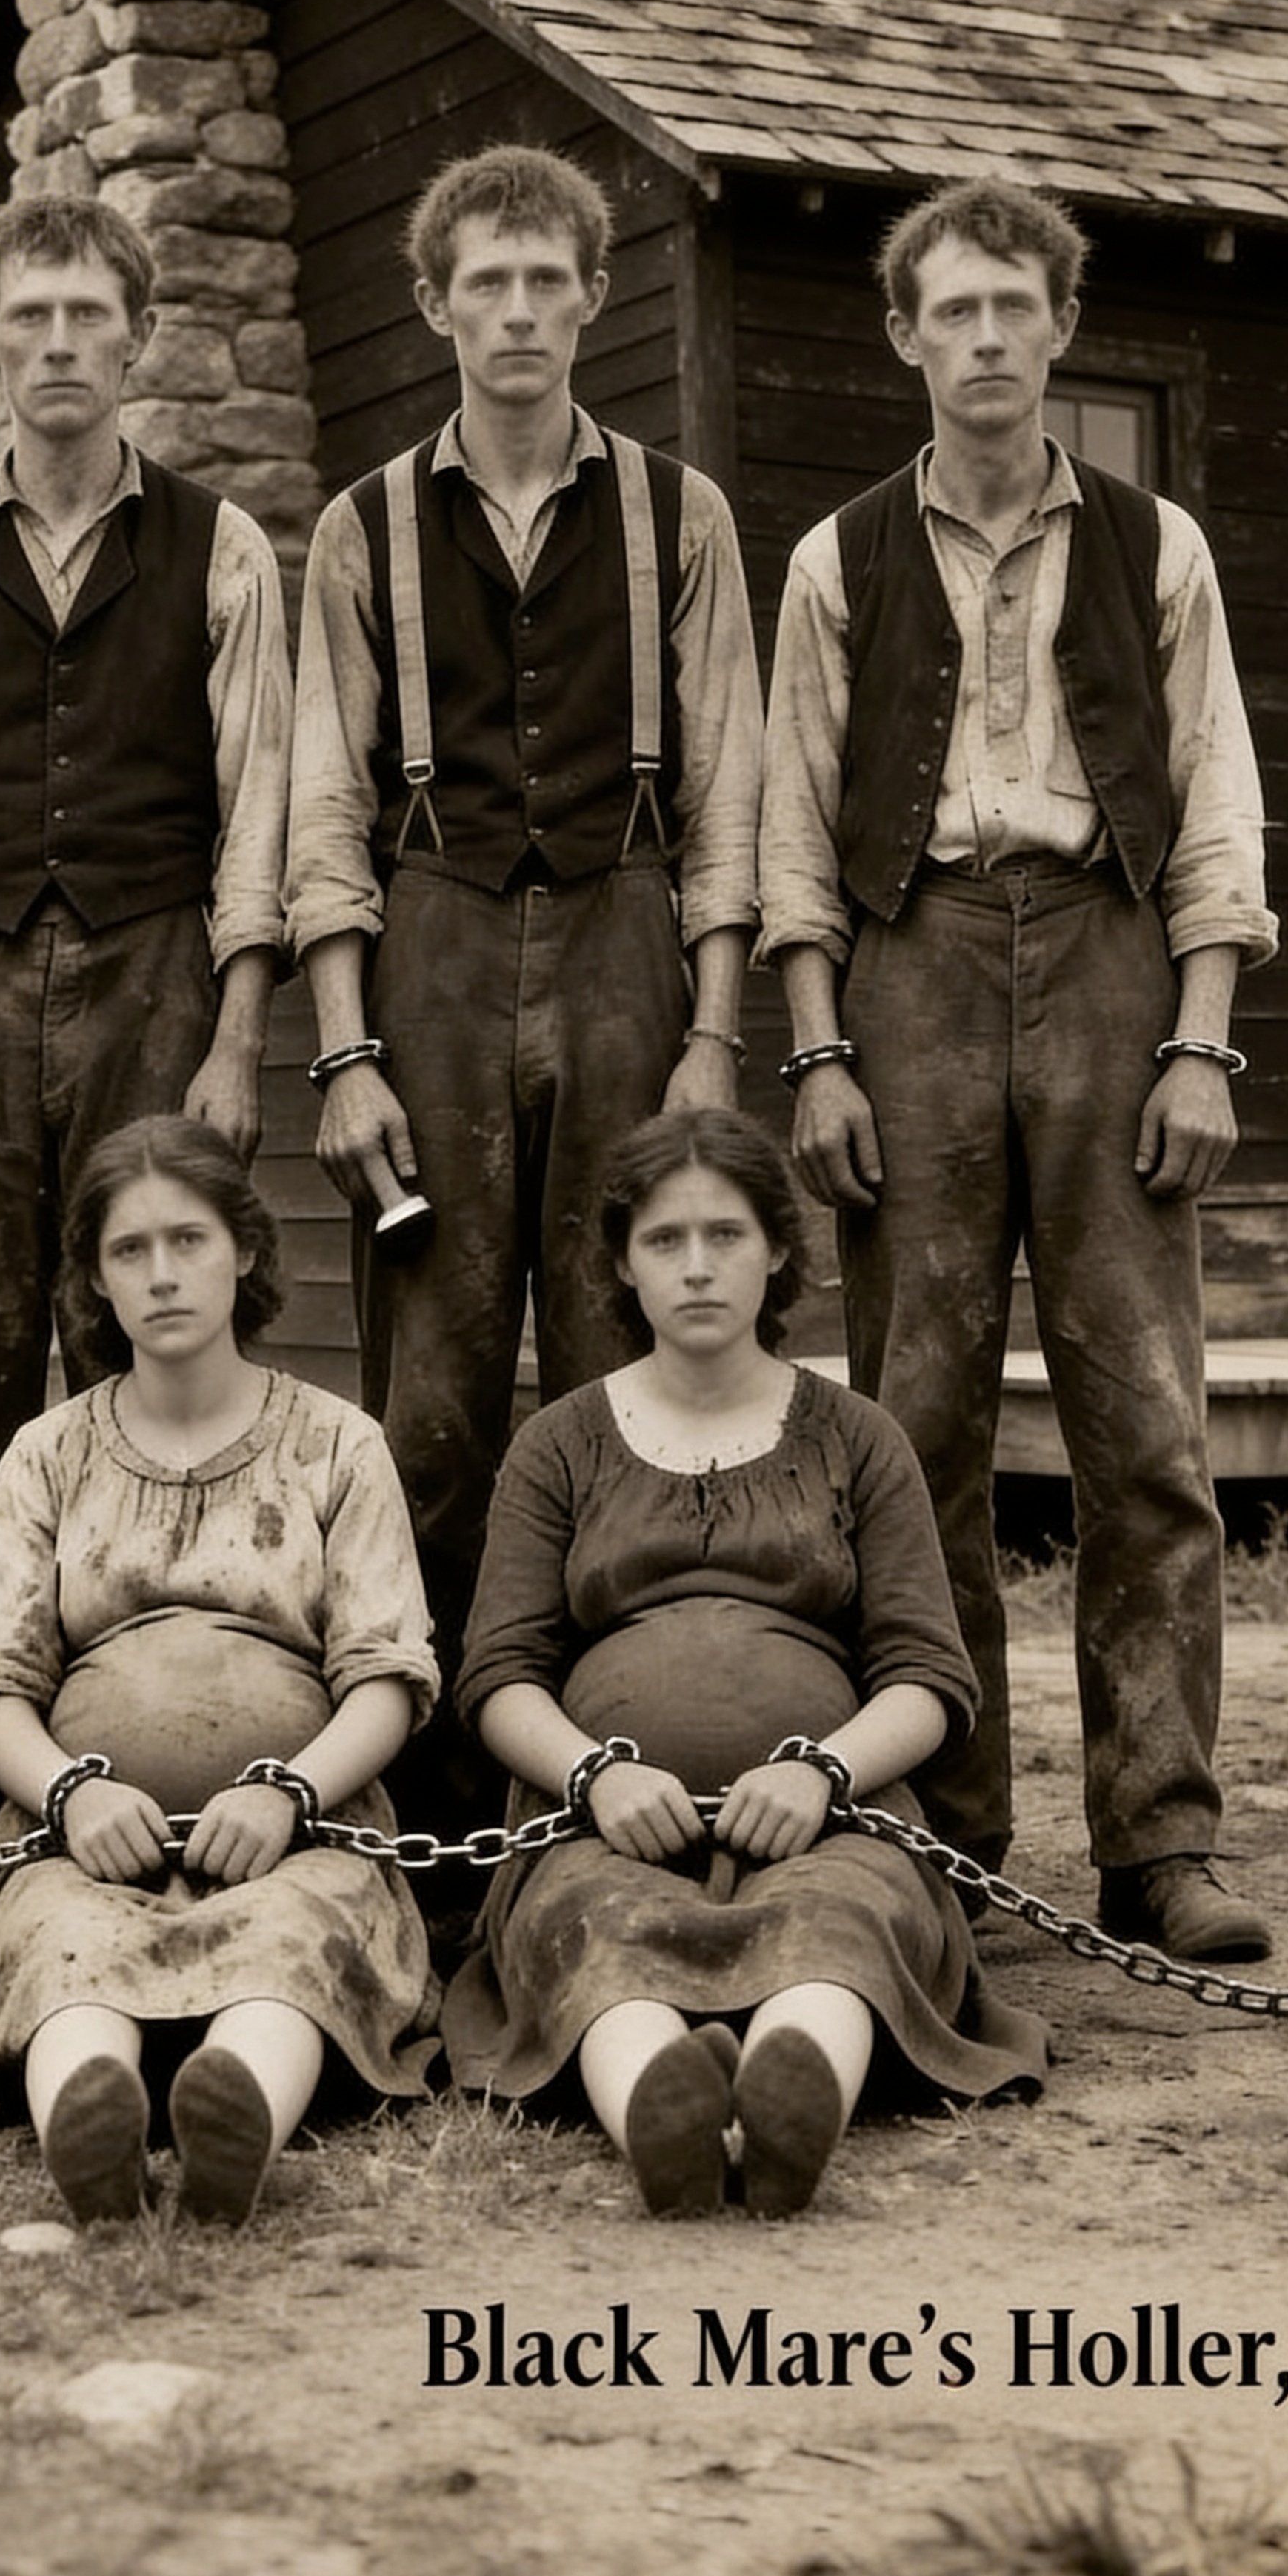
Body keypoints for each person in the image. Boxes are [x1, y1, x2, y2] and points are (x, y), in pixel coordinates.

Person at [758, 176, 1279, 1963]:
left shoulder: (1159, 547)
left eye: (1014, 309)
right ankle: (947, 1837)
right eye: (950, 311)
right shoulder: (835, 560)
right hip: (906, 974)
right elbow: (790, 830)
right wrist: (817, 1047)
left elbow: (1213, 800)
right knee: (918, 1431)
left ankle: (1160, 1840)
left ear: (1060, 329)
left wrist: (1198, 1036)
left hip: (1112, 965)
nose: (984, 340)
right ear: (902, 337)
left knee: (1146, 1427)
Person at [287, 144, 766, 1699]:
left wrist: (708, 1036)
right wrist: (344, 1050)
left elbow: (725, 803)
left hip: (627, 938)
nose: (514, 312)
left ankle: (632, 1706)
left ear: (590, 296)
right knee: (429, 1389)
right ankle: (425, 1758)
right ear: (433, 305)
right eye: (481, 282)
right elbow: (320, 812)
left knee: (617, 1350)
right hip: (428, 943)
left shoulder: (675, 515)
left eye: (542, 280)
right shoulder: (361, 528)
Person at [0, 197, 292, 1648]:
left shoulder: (222, 554)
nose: (57, 343)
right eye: (27, 317)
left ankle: (149, 1691)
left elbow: (260, 813)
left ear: (136, 338)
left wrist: (235, 1046)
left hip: (154, 971)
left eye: (87, 314)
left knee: (141, 1349)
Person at [444, 1111, 1048, 2219]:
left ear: (777, 1249)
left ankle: (795, 2091)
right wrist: (594, 1777)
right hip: (602, 1824)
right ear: (624, 1263)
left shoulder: (858, 1437)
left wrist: (824, 1772)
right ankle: (657, 2115)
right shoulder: (561, 1443)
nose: (698, 1264)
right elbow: (499, 1673)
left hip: (834, 1818)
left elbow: (929, 1674)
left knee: (843, 1919)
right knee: (597, 1927)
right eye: (665, 1239)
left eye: (726, 1233)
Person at [0, 1116, 438, 2228]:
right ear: (96, 1280)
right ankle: (87, 2126)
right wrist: (69, 1790)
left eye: (188, 1240)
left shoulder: (338, 1445)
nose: (162, 1275)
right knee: (65, 1940)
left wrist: (288, 1792)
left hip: (305, 1825)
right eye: (129, 1250)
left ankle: (236, 2113)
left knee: (289, 1941)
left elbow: (388, 1672)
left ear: (243, 1250)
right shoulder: (46, 1453)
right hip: (80, 1829)